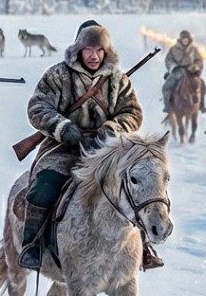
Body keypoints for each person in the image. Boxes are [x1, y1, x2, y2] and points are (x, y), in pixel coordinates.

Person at [17, 21, 161, 270]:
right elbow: (37, 108)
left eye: (99, 50)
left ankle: (144, 245)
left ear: (106, 52)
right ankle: (33, 245)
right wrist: (63, 128)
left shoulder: (117, 80)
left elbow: (133, 113)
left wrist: (111, 130)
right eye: (88, 50)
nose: (94, 56)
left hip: (108, 149)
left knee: (134, 186)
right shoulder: (57, 75)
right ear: (78, 50)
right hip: (62, 147)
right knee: (44, 186)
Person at [161, 29, 203, 114]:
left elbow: (199, 60)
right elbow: (168, 60)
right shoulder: (173, 49)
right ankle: (167, 106)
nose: (185, 41)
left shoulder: (194, 50)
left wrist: (195, 66)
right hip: (178, 72)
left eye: (187, 39)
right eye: (184, 39)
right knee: (166, 87)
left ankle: (201, 105)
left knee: (202, 86)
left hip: (191, 72)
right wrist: (174, 67)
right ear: (181, 40)